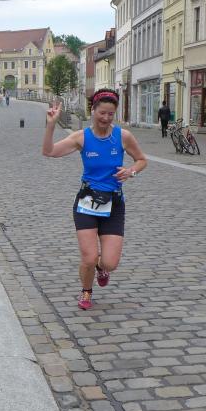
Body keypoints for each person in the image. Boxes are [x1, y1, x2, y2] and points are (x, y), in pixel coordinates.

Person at [42, 89, 147, 311]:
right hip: (87, 202)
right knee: (89, 258)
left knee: (110, 262)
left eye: (111, 114)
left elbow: (141, 160)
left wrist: (131, 172)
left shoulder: (123, 136)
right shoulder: (81, 137)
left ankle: (102, 268)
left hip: (114, 204)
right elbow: (49, 151)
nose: (106, 118)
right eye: (102, 113)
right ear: (93, 110)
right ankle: (86, 290)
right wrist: (51, 124)